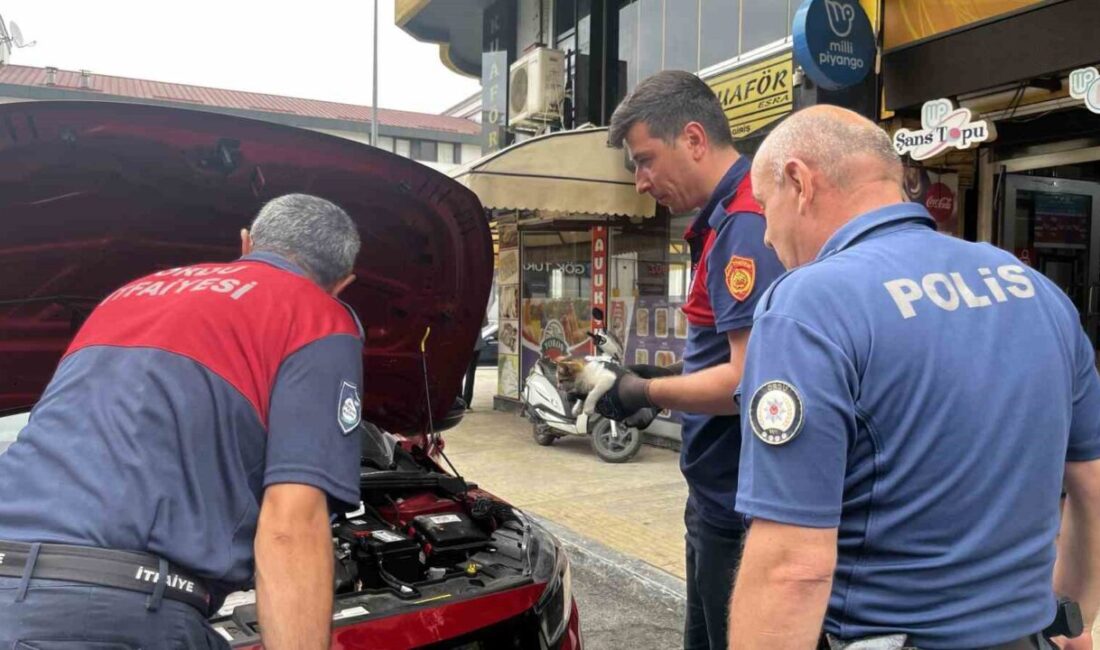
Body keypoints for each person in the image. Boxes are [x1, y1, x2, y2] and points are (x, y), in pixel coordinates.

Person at [728, 105, 1100, 650]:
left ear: (798, 182)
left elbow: (793, 568)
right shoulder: (1035, 290)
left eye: (764, 207)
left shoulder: (808, 307)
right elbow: (1091, 486)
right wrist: (1075, 618)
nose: (764, 236)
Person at [0, 194, 365, 649]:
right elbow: (292, 525)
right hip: (113, 618)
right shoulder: (315, 314)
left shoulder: (127, 294)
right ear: (342, 283)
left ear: (246, 243)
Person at [598, 70, 785, 650]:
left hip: (736, 503)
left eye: (646, 160)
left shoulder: (745, 225)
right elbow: (726, 354)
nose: (640, 182)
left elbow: (747, 386)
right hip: (715, 495)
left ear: (696, 140)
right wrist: (664, 377)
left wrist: (643, 393)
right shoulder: (723, 219)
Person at [463, 325, 487, 409]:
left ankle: (458, 401)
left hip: (461, 344)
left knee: (458, 373)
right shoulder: (479, 311)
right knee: (470, 374)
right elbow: (484, 323)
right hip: (475, 345)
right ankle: (466, 402)